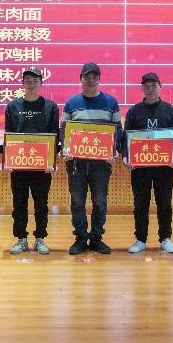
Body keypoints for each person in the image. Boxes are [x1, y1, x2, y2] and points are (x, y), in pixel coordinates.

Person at [61, 63, 122, 255]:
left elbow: (118, 131)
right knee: (77, 202)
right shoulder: (71, 103)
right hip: (76, 163)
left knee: (100, 202)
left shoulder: (111, 102)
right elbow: (64, 130)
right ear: (81, 79)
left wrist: (115, 151)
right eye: (87, 77)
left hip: (101, 164)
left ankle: (96, 238)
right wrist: (66, 148)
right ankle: (80, 238)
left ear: (99, 79)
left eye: (94, 77)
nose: (91, 80)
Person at [123, 72, 173, 253]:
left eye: (154, 86)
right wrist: (126, 157)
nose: (150, 89)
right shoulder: (134, 111)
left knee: (164, 203)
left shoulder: (170, 110)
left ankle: (165, 238)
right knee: (141, 204)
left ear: (160, 87)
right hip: (140, 167)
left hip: (164, 167)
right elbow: (126, 137)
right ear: (142, 89)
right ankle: (140, 239)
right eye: (146, 86)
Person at [4, 66, 60, 255]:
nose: (31, 83)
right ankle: (21, 239)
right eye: (27, 80)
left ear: (41, 83)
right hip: (19, 165)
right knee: (19, 204)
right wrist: (8, 160)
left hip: (42, 167)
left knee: (41, 204)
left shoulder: (50, 107)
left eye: (35, 80)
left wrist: (52, 161)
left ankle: (40, 239)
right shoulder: (12, 106)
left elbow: (55, 136)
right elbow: (9, 135)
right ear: (22, 83)